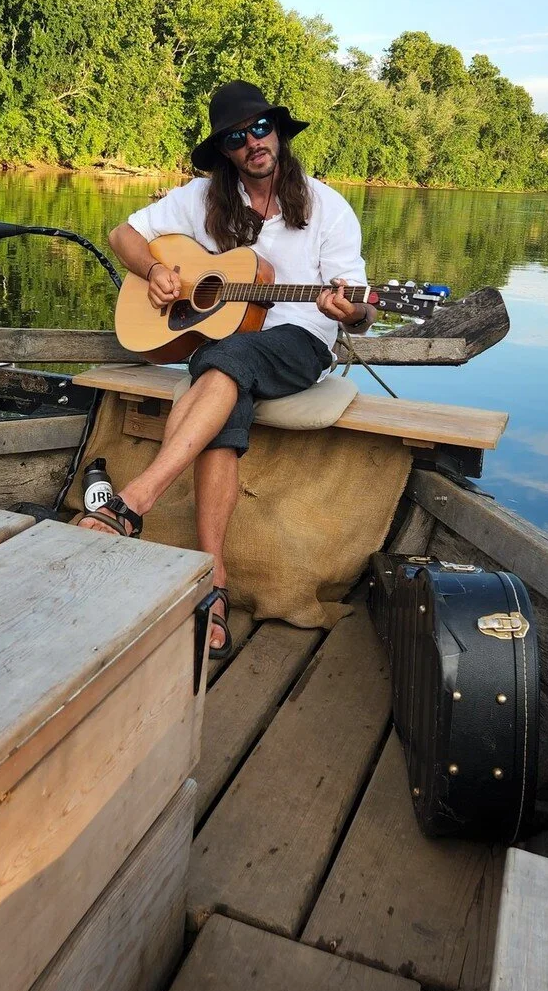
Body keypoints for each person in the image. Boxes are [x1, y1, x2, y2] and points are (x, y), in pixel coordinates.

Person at [75, 80, 376, 658]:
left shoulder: (326, 208)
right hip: (230, 349)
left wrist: (354, 310)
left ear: (279, 132)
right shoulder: (202, 198)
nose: (253, 143)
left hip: (302, 341)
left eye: (261, 128)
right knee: (225, 372)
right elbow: (123, 234)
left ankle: (135, 501)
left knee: (221, 358)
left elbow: (356, 309)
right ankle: (214, 582)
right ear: (226, 151)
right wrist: (154, 273)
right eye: (237, 137)